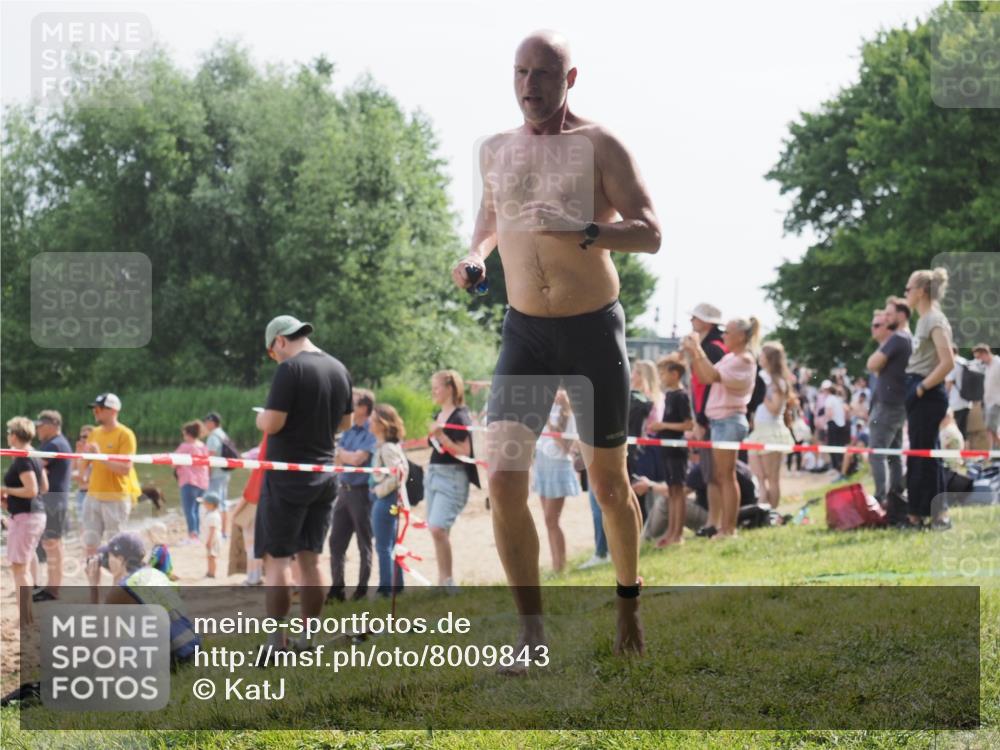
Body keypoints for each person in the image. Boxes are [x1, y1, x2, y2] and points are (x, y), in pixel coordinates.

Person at [451, 30, 660, 657]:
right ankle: (531, 632)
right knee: (506, 482)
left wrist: (586, 229)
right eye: (520, 72)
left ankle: (628, 602)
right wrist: (473, 257)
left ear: (569, 79)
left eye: (543, 73)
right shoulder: (495, 150)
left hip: (594, 328)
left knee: (608, 483)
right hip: (526, 333)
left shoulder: (599, 145)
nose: (529, 86)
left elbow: (649, 233)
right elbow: (488, 223)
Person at [255, 315, 354, 656]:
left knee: (278, 560)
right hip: (325, 474)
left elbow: (274, 422)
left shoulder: (290, 370)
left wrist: (260, 417)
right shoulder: (340, 369)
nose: (275, 359)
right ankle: (307, 640)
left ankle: (276, 644)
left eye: (272, 352)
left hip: (287, 478)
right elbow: (344, 422)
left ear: (280, 341)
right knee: (312, 560)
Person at [682, 317, 759, 539]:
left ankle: (729, 529)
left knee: (726, 476)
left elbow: (710, 375)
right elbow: (704, 376)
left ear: (741, 336)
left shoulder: (744, 360)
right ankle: (724, 527)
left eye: (728, 332)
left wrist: (697, 349)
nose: (723, 335)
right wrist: (694, 353)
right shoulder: (730, 358)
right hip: (720, 421)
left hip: (729, 420)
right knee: (720, 475)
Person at [85, 532, 200, 665]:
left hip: (173, 657)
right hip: (191, 647)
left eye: (109, 556)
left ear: (120, 559)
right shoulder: (156, 574)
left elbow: (98, 628)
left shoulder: (125, 587)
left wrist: (94, 586)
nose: (106, 561)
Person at [903, 267, 955, 529]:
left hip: (927, 392)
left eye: (908, 288)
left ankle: (929, 514)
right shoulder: (923, 320)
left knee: (923, 454)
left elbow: (948, 362)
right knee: (922, 453)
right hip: (919, 388)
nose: (906, 294)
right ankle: (926, 513)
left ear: (922, 291)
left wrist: (922, 388)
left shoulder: (934, 319)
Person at [426, 370, 479, 589]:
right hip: (434, 475)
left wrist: (441, 436)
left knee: (438, 528)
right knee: (438, 530)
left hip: (453, 477)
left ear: (450, 388)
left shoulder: (460, 417)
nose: (433, 392)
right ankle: (442, 580)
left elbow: (464, 452)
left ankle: (448, 581)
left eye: (437, 387)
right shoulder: (439, 414)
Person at [80, 392, 139, 592]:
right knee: (90, 547)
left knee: (117, 549)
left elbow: (125, 468)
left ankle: (117, 592)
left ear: (112, 410)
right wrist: (84, 456)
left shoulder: (125, 434)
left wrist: (99, 456)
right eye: (94, 409)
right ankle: (93, 595)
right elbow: (83, 469)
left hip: (116, 498)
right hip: (93, 496)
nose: (95, 413)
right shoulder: (94, 433)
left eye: (98, 409)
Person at [635, 359, 693, 546]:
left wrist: (663, 425)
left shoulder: (682, 396)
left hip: (677, 450)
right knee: (672, 492)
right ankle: (671, 532)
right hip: (667, 449)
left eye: (663, 373)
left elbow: (688, 424)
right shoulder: (669, 396)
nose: (661, 377)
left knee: (678, 492)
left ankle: (678, 534)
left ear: (675, 374)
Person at [328, 388, 377, 601]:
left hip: (361, 494)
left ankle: (361, 590)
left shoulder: (372, 431)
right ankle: (337, 588)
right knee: (336, 542)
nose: (348, 406)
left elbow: (358, 460)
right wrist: (346, 456)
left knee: (363, 543)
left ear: (364, 408)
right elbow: (337, 458)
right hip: (343, 492)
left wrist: (344, 455)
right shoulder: (348, 430)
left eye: (353, 403)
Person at [686, 303, 728, 534]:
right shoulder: (713, 345)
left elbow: (708, 386)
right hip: (710, 415)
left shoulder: (712, 348)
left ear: (707, 322)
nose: (692, 320)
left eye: (696, 317)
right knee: (714, 475)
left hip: (711, 416)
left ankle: (715, 523)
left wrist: (701, 420)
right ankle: (714, 522)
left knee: (716, 475)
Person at [2, 417, 49, 624]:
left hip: (26, 518)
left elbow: (32, 490)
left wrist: (5, 490)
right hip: (34, 515)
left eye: (8, 432)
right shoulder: (35, 455)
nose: (7, 436)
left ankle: (26, 618)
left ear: (14, 435)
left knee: (19, 568)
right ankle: (27, 616)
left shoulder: (22, 458)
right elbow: (44, 487)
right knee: (24, 566)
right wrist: (9, 499)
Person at [531, 388, 581, 573]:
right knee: (548, 521)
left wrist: (550, 426)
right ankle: (555, 565)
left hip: (558, 465)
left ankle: (561, 566)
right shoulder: (548, 410)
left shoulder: (569, 416)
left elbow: (566, 446)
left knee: (551, 520)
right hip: (543, 463)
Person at [867, 307, 912, 505]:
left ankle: (881, 498)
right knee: (893, 453)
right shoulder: (898, 342)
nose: (874, 329)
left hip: (889, 405)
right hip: (892, 404)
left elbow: (871, 364)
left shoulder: (896, 340)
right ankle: (894, 497)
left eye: (879, 325)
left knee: (877, 452)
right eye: (873, 324)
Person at [746, 342, 794, 511]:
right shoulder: (763, 378)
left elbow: (774, 409)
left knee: (772, 478)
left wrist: (762, 394)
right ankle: (762, 507)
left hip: (772, 431)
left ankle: (772, 512)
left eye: (763, 355)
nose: (760, 357)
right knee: (759, 476)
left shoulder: (778, 382)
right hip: (758, 432)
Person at [369, 403, 409, 596]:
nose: (369, 421)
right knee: (390, 544)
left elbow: (399, 474)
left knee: (383, 546)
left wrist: (379, 491)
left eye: (373, 418)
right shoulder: (387, 446)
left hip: (385, 500)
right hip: (389, 500)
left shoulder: (387, 448)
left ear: (382, 423)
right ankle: (397, 585)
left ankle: (386, 588)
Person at [32, 410, 72, 601]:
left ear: (52, 425)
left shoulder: (55, 444)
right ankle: (52, 587)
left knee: (52, 545)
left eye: (40, 425)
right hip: (55, 500)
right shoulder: (55, 443)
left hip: (54, 501)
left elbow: (34, 466)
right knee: (53, 545)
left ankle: (53, 589)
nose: (37, 429)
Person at [230, 436, 265, 586]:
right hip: (267, 508)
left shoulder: (257, 475)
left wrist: (235, 512)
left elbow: (248, 495)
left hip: (253, 510)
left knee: (251, 547)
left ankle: (253, 578)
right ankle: (258, 576)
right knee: (259, 547)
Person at [174, 420, 210, 544]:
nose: (184, 437)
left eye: (184, 434)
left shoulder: (185, 447)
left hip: (189, 481)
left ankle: (192, 535)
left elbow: (174, 461)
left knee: (189, 509)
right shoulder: (203, 446)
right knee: (196, 509)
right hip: (203, 482)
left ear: (188, 434)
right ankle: (197, 533)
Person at [203, 412, 231, 538]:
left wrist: (207, 474)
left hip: (216, 474)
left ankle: (216, 531)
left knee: (213, 502)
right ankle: (224, 531)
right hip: (225, 472)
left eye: (206, 422)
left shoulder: (213, 436)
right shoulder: (223, 434)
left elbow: (210, 458)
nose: (205, 424)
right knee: (223, 502)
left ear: (212, 422)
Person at [972, 343, 1000, 451]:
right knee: (991, 430)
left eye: (979, 357)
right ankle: (993, 453)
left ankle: (992, 454)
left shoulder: (998, 364)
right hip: (988, 403)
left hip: (996, 402)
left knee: (991, 429)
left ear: (985, 353)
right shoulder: (988, 366)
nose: (979, 360)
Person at [823, 383, 850, 480]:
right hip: (841, 425)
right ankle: (839, 467)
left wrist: (825, 422)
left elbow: (829, 413)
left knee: (832, 446)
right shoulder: (838, 399)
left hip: (833, 424)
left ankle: (836, 467)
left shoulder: (829, 399)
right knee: (839, 447)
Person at [945, 346, 972, 439]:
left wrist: (944, 398)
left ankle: (957, 453)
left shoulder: (953, 363)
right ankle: (964, 452)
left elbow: (948, 383)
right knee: (964, 431)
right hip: (967, 401)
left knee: (956, 431)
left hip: (955, 403)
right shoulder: (965, 362)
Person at [72, 424, 95, 520]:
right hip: (81, 493)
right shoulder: (80, 454)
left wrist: (78, 476)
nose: (83, 440)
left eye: (86, 437)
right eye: (81, 437)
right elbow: (71, 471)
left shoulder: (97, 455)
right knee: (82, 527)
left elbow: (85, 478)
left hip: (93, 494)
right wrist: (77, 452)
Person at [198, 492, 222, 578]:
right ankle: (209, 572)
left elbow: (213, 530)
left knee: (212, 556)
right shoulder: (210, 513)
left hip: (213, 540)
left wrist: (209, 541)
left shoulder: (213, 516)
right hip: (210, 539)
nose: (203, 505)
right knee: (209, 556)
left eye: (205, 503)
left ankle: (212, 573)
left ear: (211, 504)